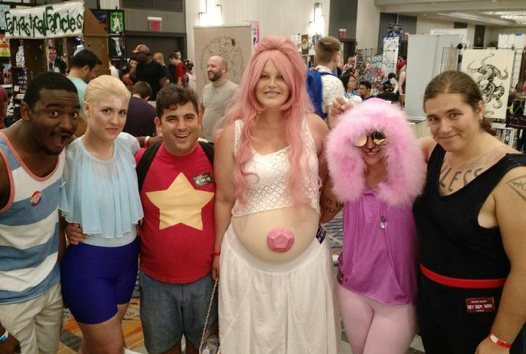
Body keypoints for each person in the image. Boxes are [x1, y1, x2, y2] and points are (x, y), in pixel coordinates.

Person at [213, 36, 338, 354]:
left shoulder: (315, 128)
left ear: (294, 81)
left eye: (280, 76)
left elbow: (366, 153)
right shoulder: (233, 134)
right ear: (252, 82)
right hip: (245, 266)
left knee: (304, 342)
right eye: (264, 76)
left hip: (306, 268)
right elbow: (224, 199)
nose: (272, 84)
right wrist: (216, 254)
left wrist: (351, 123)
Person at [414, 70, 526, 354]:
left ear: (478, 109)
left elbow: (524, 270)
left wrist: (500, 341)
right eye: (433, 119)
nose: (444, 127)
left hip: (482, 314)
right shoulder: (434, 152)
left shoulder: (513, 177)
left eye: (454, 114)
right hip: (433, 303)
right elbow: (377, 150)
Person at [0, 72, 80, 354]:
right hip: (6, 302)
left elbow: (54, 219)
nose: (67, 124)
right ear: (26, 111)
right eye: (54, 112)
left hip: (49, 289)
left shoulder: (57, 146)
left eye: (74, 113)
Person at [324, 98, 426, 354]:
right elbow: (324, 216)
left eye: (379, 136)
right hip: (351, 288)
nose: (369, 145)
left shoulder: (411, 174)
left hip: (397, 296)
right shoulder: (349, 176)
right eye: (360, 137)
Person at [60, 75, 143, 354]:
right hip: (88, 265)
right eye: (107, 111)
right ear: (87, 108)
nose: (115, 121)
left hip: (128, 262)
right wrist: (64, 225)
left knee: (95, 345)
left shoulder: (128, 144)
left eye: (122, 112)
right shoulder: (69, 155)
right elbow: (49, 200)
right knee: (111, 347)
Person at [136, 85, 217, 354]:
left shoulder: (215, 159)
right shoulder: (141, 161)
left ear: (200, 119)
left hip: (205, 281)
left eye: (188, 117)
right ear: (159, 124)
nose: (182, 126)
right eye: (172, 119)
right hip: (155, 282)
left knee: (202, 347)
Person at [199, 55, 238, 142]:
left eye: (213, 66)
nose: (209, 69)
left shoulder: (235, 90)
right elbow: (201, 109)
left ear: (223, 69)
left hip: (224, 143)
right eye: (208, 66)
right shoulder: (206, 89)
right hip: (207, 141)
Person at [67, 49, 102, 137]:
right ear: (86, 68)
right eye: (94, 71)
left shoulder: (60, 84)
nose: (94, 76)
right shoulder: (86, 89)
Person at [313, 36, 345, 119]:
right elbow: (335, 122)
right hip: (323, 130)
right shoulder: (334, 83)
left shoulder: (307, 77)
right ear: (335, 56)